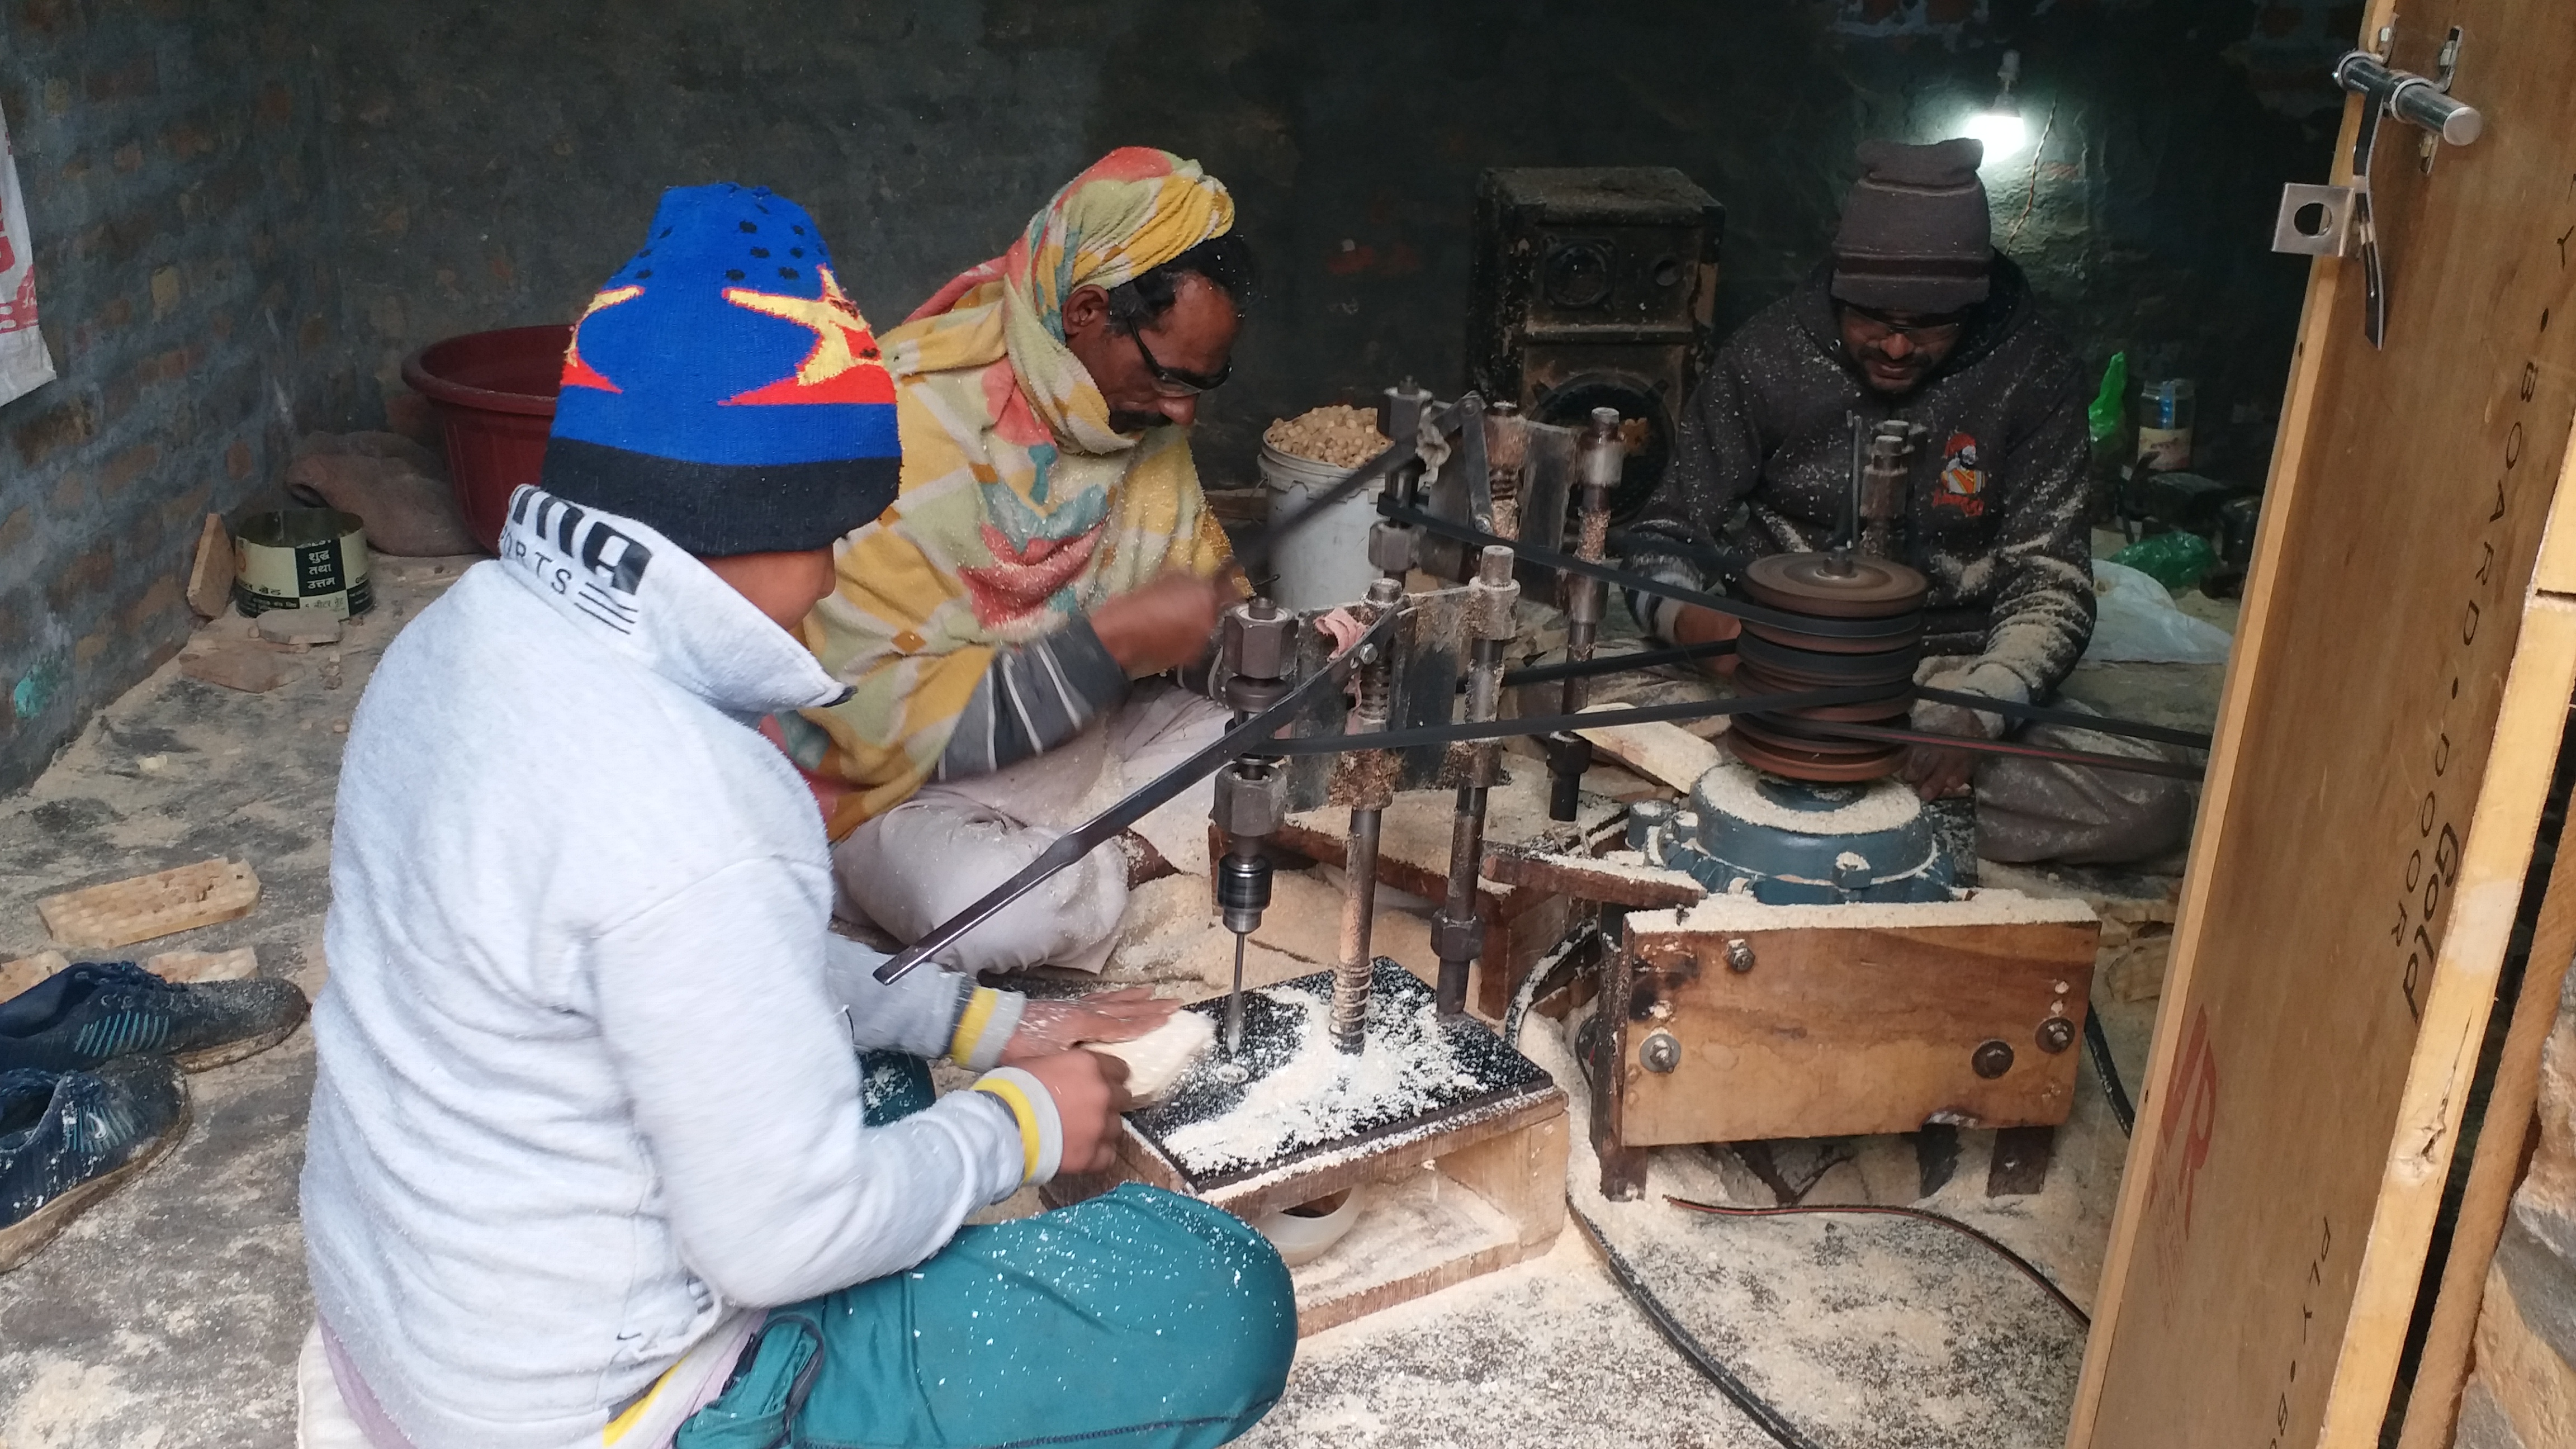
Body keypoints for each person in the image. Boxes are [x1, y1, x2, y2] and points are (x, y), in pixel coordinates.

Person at [297, 184, 1294, 1449]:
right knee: (1209, 1300)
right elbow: (781, 1238)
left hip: (418, 1331)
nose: (832, 583)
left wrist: (993, 1023)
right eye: (832, 533)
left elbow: (712, 957)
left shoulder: (451, 645)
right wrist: (1027, 1118)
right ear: (763, 521)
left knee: (870, 1074)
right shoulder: (701, 791)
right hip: (579, 1410)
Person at [1623, 138, 2194, 866]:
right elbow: (1660, 537)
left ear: (1974, 303)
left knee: (2149, 802)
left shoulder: (2029, 370)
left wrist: (1983, 708)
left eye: (1928, 324)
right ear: (1839, 292)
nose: (1895, 347)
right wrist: (1698, 622)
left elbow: (2052, 584)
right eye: (1872, 318)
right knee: (1566, 708)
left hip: (1939, 677)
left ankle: (1793, 800)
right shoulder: (1767, 357)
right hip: (1775, 672)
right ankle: (1869, 801)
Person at [770, 148, 1251, 974]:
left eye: (1203, 385)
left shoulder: (1136, 427)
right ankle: (1129, 855)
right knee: (986, 917)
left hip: (1089, 752)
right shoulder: (902, 426)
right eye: (1169, 376)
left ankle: (1095, 854)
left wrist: (1253, 643)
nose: (1181, 411)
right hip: (906, 796)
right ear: (1089, 311)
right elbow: (854, 722)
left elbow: (1202, 613)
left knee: (1306, 736)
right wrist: (1108, 647)